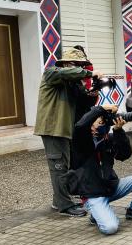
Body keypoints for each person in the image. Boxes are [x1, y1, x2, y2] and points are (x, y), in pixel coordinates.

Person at [64, 105, 132, 235]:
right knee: (110, 228)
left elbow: (124, 155)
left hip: (110, 187)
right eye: (97, 122)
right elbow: (80, 126)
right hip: (93, 194)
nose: (99, 125)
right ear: (90, 124)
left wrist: (118, 131)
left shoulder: (108, 139)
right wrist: (101, 108)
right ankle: (97, 214)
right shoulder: (81, 140)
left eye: (103, 123)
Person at [34, 48, 103, 216]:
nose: (80, 68)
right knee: (58, 167)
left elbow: (82, 103)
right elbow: (67, 73)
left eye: (82, 65)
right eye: (76, 64)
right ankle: (64, 205)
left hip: (64, 129)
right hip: (52, 128)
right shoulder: (52, 73)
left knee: (63, 166)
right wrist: (89, 73)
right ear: (65, 63)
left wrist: (93, 93)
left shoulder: (73, 82)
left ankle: (60, 200)